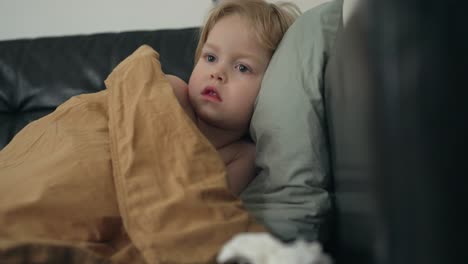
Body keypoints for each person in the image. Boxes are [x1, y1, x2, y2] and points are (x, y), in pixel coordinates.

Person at [166, 0, 300, 195]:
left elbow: (209, 210)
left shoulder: (243, 158)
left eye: (242, 67)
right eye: (210, 58)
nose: (217, 73)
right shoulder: (172, 92)